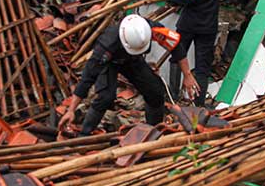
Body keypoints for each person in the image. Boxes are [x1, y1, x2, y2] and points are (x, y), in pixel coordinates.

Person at [58, 15, 200, 136]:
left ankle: (153, 131)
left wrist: (187, 75)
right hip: (111, 63)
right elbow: (87, 78)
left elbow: (175, 45)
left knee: (155, 91)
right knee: (105, 97)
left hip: (133, 60)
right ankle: (85, 135)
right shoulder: (106, 46)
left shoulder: (151, 29)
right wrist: (71, 110)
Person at [154, 0, 226, 105]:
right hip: (209, 25)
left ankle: (173, 96)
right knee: (202, 67)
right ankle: (199, 105)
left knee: (177, 56)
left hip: (189, 24)